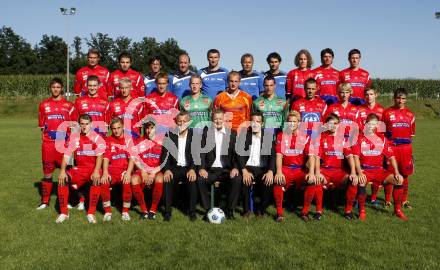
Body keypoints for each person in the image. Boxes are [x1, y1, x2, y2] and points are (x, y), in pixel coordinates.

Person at [352, 113, 408, 220]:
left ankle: (397, 210)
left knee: (400, 179)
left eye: (374, 124)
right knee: (362, 181)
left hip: (379, 171)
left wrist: (396, 171)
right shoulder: (359, 138)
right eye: (369, 124)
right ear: (365, 124)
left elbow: (391, 157)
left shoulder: (382, 139)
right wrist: (359, 172)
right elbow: (355, 158)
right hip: (365, 170)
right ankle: (362, 211)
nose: (371, 126)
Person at [55, 114, 105, 223]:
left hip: (92, 169)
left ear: (91, 124)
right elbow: (67, 155)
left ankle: (91, 213)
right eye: (82, 124)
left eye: (87, 124)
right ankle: (64, 213)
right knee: (63, 179)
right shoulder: (74, 137)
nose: (84, 126)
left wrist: (96, 171)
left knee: (97, 178)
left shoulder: (97, 138)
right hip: (79, 169)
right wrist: (62, 171)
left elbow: (100, 156)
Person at [197, 109, 242, 219]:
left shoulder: (232, 134)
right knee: (200, 180)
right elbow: (201, 153)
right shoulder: (205, 133)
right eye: (215, 119)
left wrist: (235, 168)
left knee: (237, 179)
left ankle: (230, 210)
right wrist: (201, 168)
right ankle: (208, 210)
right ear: (212, 120)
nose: (218, 121)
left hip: (226, 170)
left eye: (220, 119)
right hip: (210, 170)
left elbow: (237, 154)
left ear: (224, 120)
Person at [273, 110, 317, 222]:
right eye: (289, 121)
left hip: (299, 170)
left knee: (311, 181)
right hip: (286, 168)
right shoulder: (281, 135)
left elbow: (311, 156)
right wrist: (278, 172)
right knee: (278, 180)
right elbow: (279, 155)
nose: (292, 124)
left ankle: (305, 212)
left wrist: (311, 173)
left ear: (299, 123)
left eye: (294, 121)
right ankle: (279, 213)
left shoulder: (306, 137)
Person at [37, 78, 74, 210]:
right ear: (50, 88)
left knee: (67, 173)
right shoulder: (43, 105)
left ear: (62, 88)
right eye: (53, 87)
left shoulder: (69, 106)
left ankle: (68, 200)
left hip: (64, 145)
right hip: (48, 145)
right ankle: (44, 201)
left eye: (58, 87)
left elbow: (73, 127)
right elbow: (42, 128)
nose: (56, 89)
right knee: (47, 174)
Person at [314, 113, 357, 219]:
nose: (333, 126)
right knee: (317, 180)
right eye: (330, 124)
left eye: (335, 124)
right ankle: (318, 211)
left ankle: (348, 211)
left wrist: (353, 172)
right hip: (325, 171)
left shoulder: (343, 139)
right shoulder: (321, 138)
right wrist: (318, 172)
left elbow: (350, 157)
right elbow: (317, 158)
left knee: (352, 180)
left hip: (339, 172)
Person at [160, 111, 198, 221]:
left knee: (192, 180)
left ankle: (192, 212)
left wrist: (192, 169)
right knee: (167, 179)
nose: (182, 124)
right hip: (174, 168)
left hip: (188, 168)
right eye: (179, 121)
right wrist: (166, 170)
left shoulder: (194, 135)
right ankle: (167, 212)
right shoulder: (170, 134)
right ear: (176, 122)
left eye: (184, 121)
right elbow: (164, 155)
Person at [236, 112, 275, 217]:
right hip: (248, 168)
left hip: (262, 169)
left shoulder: (267, 137)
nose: (255, 124)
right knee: (243, 180)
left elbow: (272, 156)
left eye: (258, 122)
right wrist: (244, 171)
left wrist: (270, 171)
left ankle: (261, 210)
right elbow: (239, 155)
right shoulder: (244, 135)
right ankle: (246, 210)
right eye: (253, 121)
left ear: (262, 124)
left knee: (269, 182)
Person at [383, 88, 415, 209]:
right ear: (394, 98)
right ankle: (387, 200)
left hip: (405, 149)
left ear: (406, 99)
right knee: (390, 173)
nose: (400, 100)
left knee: (405, 174)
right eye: (398, 98)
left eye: (402, 98)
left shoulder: (410, 114)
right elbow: (382, 132)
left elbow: (412, 135)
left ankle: (404, 200)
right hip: (391, 148)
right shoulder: (387, 113)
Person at [100, 117, 134, 221]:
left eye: (119, 128)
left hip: (124, 170)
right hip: (112, 171)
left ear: (123, 127)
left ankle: (125, 212)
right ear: (111, 129)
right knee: (104, 181)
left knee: (127, 182)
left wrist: (128, 173)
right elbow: (105, 158)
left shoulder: (128, 139)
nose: (116, 130)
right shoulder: (108, 140)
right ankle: (107, 211)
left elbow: (132, 158)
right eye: (114, 128)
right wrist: (105, 173)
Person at [129, 120, 164, 220]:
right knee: (134, 179)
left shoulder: (162, 141)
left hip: (156, 170)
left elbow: (164, 161)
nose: (149, 131)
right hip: (142, 170)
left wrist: (153, 173)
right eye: (147, 128)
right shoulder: (138, 141)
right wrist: (143, 171)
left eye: (152, 128)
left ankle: (152, 210)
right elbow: (135, 158)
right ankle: (144, 210)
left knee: (160, 179)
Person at [144, 72, 179, 137]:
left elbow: (176, 119)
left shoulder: (174, 99)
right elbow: (145, 120)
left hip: (169, 135)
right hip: (154, 135)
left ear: (167, 84)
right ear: (156, 84)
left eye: (163, 83)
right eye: (159, 83)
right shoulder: (148, 99)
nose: (161, 86)